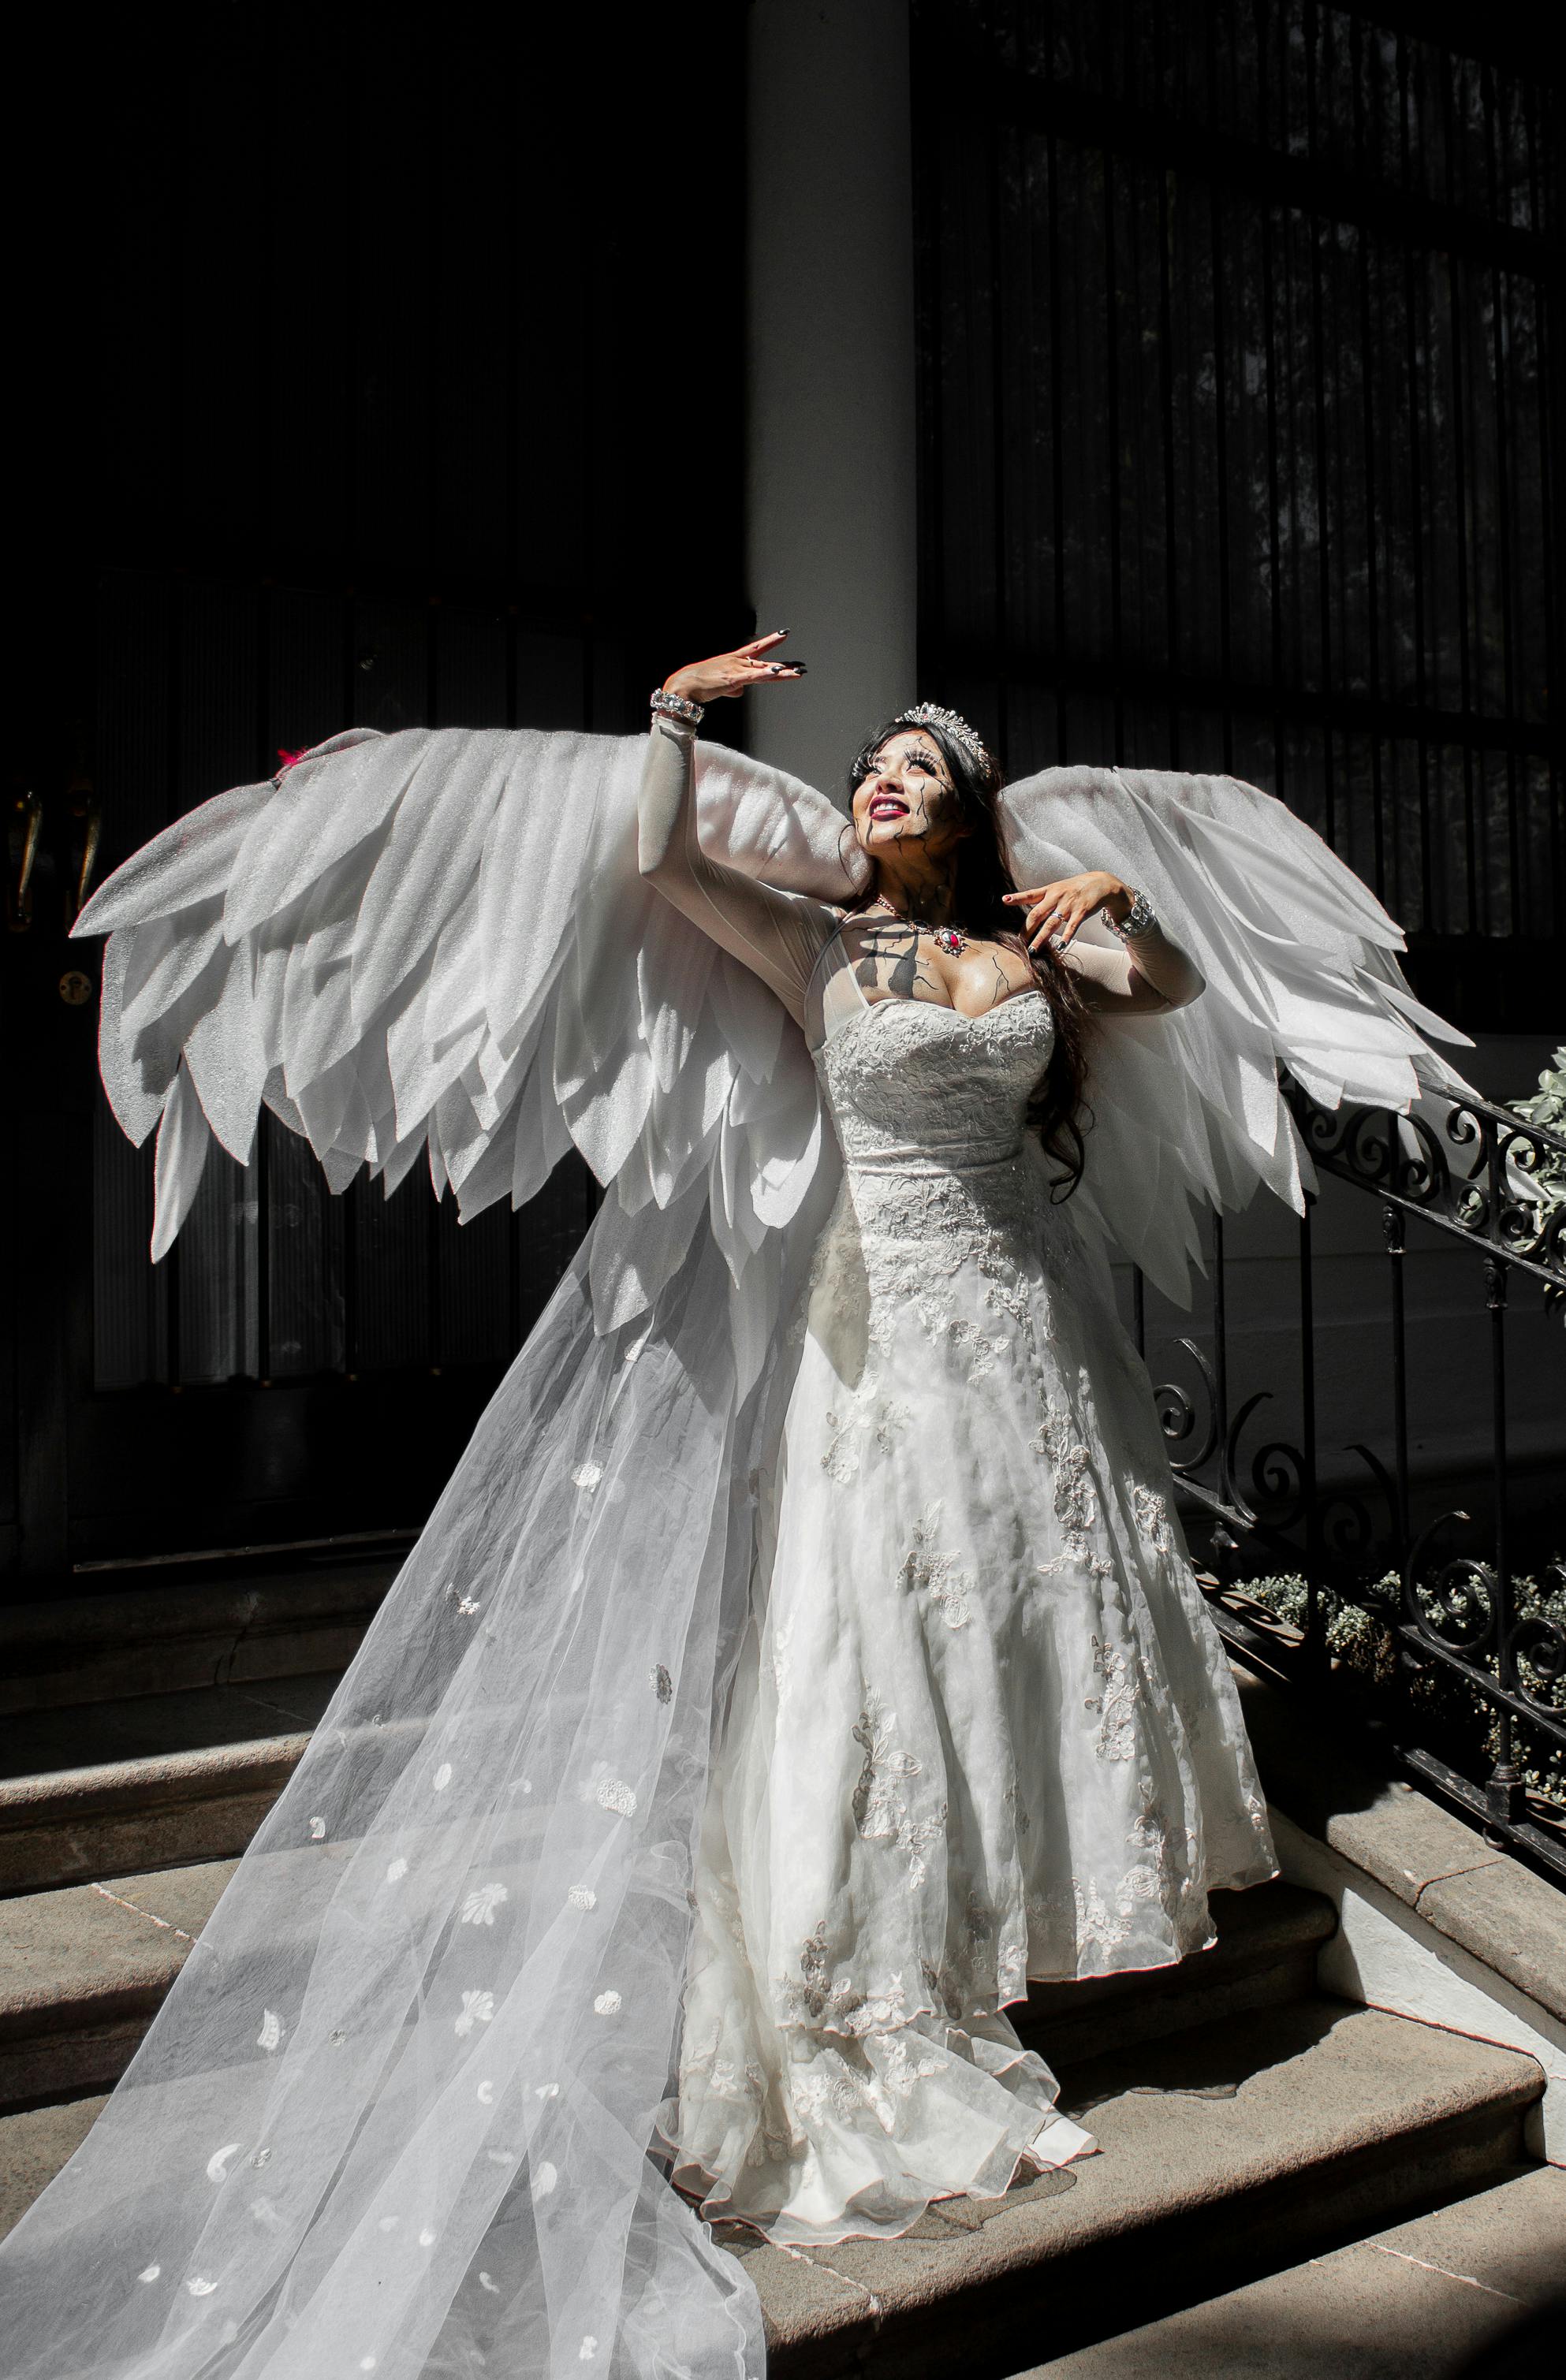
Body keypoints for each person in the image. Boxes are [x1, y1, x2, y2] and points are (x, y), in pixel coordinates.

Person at [0, 639, 1469, 2378]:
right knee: (868, 1649)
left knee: (1011, 1630)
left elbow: (1153, 993)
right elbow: (662, 868)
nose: (882, 782)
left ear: (965, 810)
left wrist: (1117, 899)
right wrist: (672, 725)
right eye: (874, 765)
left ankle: (981, 1946)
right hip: (876, 1332)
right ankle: (864, 1994)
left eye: (915, 770)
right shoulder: (817, 943)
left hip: (1026, 1332)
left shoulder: (1029, 950)